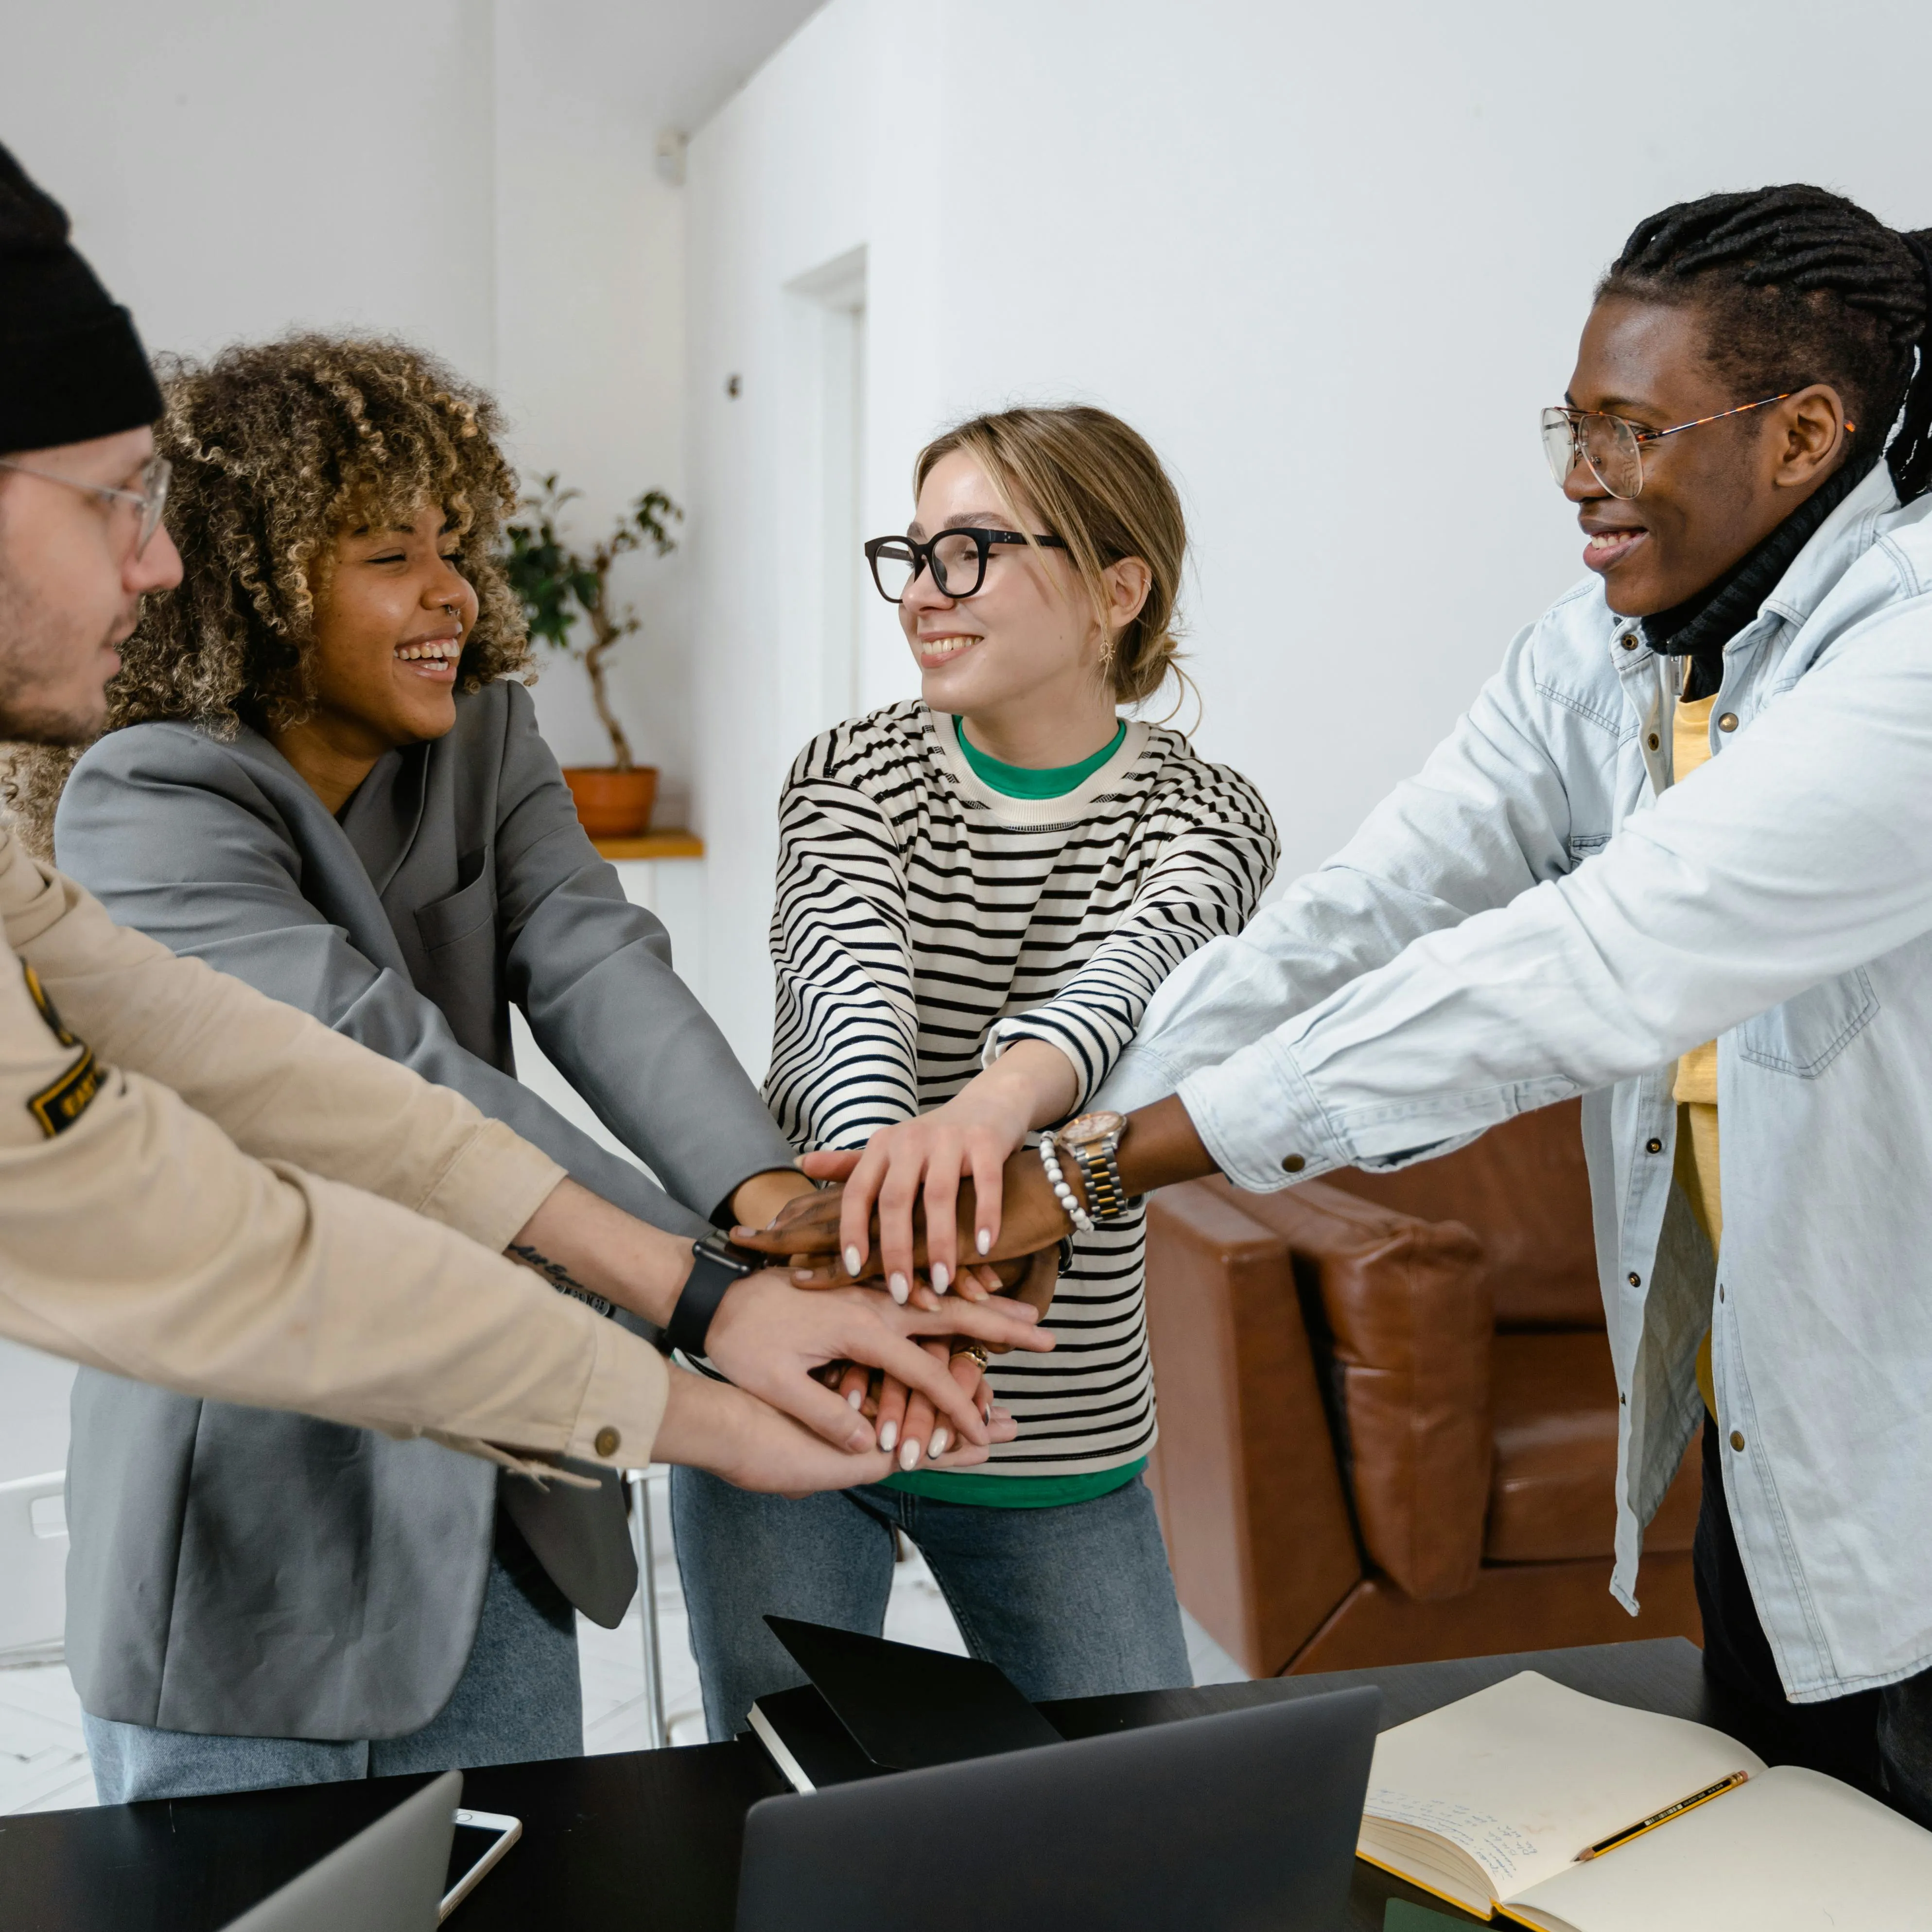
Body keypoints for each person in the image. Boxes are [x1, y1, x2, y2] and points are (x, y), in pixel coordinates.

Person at [761, 187, 1932, 1822]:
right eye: (1567, 427)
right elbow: (1361, 910)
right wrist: (1039, 1129)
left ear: (1803, 433)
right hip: (1784, 1440)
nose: (1579, 480)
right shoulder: (1607, 655)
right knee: (1797, 1861)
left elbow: (1587, 962)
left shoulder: (1909, 652)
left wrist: (1095, 1163)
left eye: (1627, 430)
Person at [15, 328, 1048, 1801]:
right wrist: (714, 1292)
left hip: (505, 1462)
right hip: (265, 1497)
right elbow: (398, 1083)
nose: (454, 591)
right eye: (389, 554)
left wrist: (770, 1209)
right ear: (257, 582)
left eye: (457, 543)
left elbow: (590, 954)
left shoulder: (482, 729)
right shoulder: (150, 797)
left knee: (513, 1872)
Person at [679, 405, 1278, 1737]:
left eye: (971, 552)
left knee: (1134, 1813)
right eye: (913, 553)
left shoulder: (1211, 815)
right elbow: (846, 1022)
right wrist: (915, 1239)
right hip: (805, 1374)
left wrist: (997, 1104)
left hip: (1048, 1420)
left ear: (1116, 588)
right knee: (779, 1805)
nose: (923, 596)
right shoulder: (847, 775)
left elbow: (1121, 994)